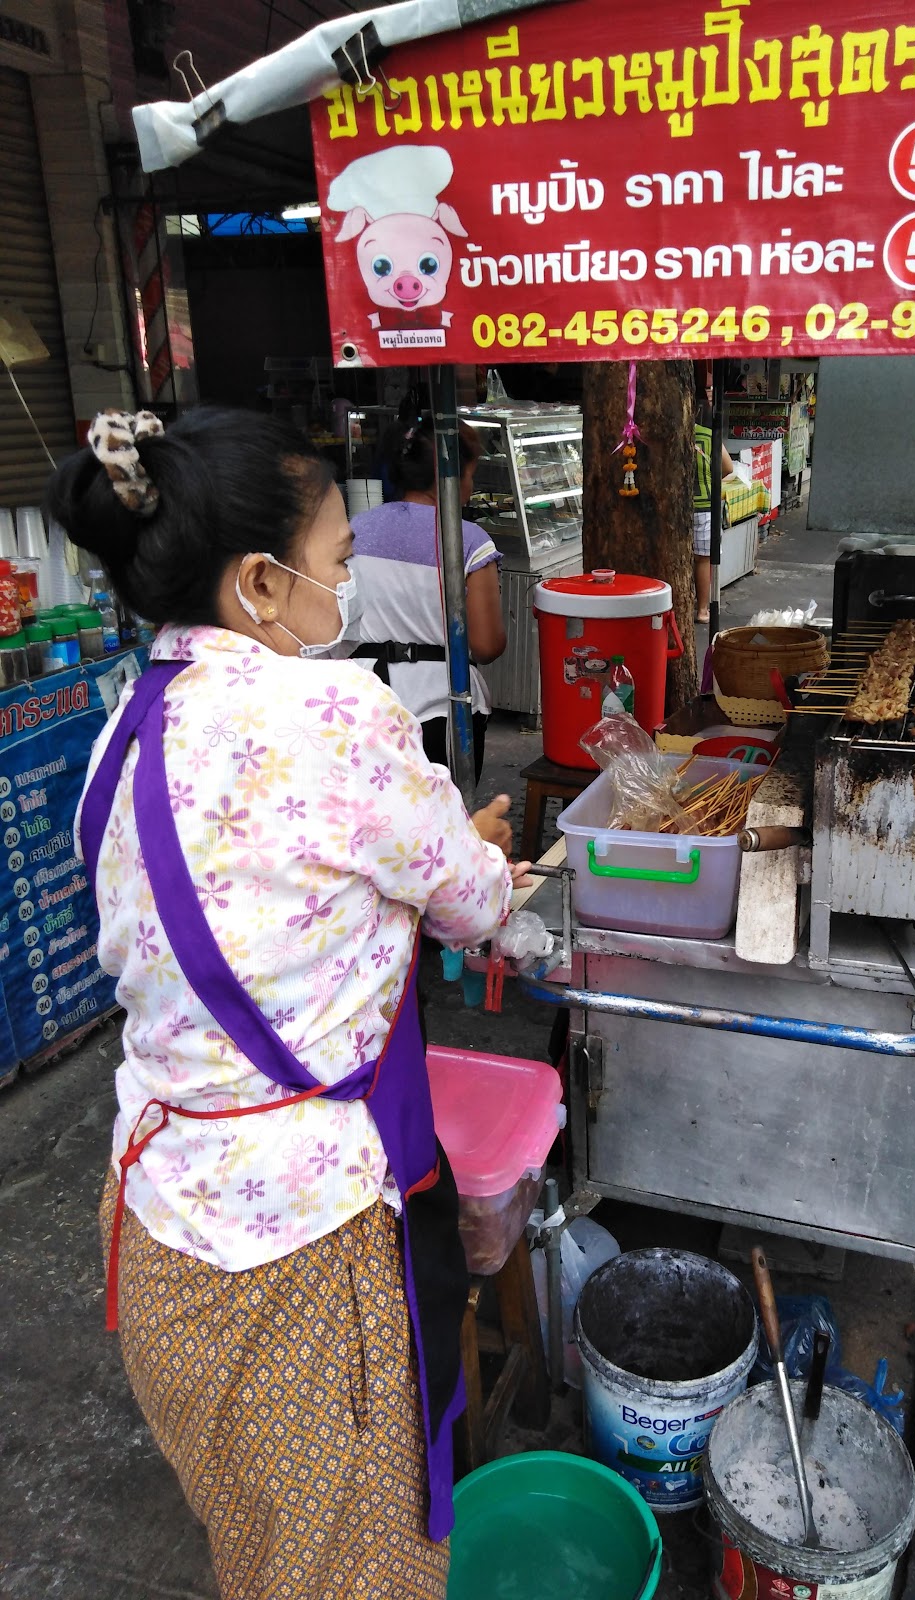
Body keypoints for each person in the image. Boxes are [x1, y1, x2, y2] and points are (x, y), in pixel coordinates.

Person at [51, 405, 529, 1600]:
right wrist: (471, 850)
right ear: (261, 583)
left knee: (260, 1543)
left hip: (158, 1227)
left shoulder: (118, 737)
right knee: (349, 1565)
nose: (346, 585)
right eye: (338, 559)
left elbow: (250, 909)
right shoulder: (335, 717)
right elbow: (474, 902)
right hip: (302, 1251)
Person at [350, 417, 504, 782]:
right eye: (470, 474)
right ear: (448, 477)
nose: (471, 486)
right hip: (442, 708)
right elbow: (486, 646)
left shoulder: (353, 530)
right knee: (442, 814)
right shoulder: (468, 540)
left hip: (362, 701)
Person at [693, 390, 736, 625]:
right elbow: (728, 468)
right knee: (703, 559)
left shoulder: (673, 435)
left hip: (678, 508)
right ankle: (702, 610)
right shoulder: (709, 437)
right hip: (704, 505)